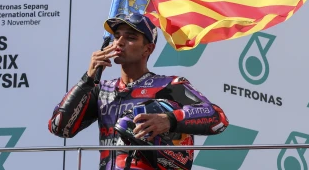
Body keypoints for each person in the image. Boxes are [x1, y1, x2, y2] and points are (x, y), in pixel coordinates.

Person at [48, 13, 229, 170]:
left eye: (130, 37)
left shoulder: (169, 85)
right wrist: (87, 79)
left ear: (147, 49)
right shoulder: (101, 90)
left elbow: (218, 118)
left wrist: (169, 120)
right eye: (116, 36)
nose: (119, 42)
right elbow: (59, 127)